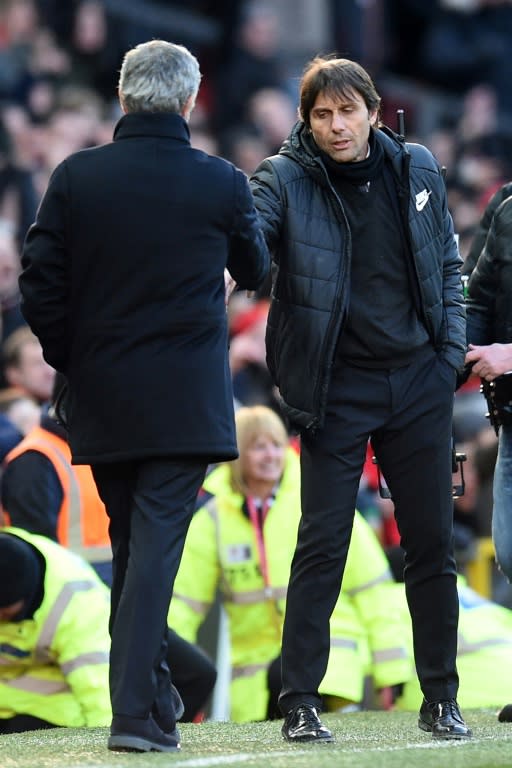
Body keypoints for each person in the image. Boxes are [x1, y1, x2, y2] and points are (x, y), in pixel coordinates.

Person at [18, 39, 269, 754]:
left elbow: (37, 283)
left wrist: (72, 358)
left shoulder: (76, 178)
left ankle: (155, 699)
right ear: (190, 102)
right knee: (151, 553)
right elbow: (254, 264)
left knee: (136, 551)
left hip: (101, 400)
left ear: (124, 99)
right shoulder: (219, 180)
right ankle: (134, 714)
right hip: (184, 402)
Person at [249, 55, 470, 742]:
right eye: (322, 114)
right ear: (306, 120)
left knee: (432, 543)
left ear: (373, 112)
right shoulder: (282, 178)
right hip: (336, 389)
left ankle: (441, 697)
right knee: (323, 543)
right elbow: (247, 241)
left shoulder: (419, 166)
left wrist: (445, 360)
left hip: (417, 381)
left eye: (347, 111)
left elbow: (450, 266)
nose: (336, 125)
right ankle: (301, 702)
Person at [169, 405, 411, 723]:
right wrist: (169, 670)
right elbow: (183, 605)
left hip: (329, 670)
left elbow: (373, 592)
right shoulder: (211, 521)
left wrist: (391, 670)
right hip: (254, 687)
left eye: (276, 444)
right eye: (258, 447)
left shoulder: (318, 505)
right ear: (238, 454)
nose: (270, 455)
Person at [0, 526, 111, 733]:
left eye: (3, 611)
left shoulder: (77, 604)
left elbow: (98, 685)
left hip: (49, 705)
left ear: (25, 598)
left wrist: (107, 743)